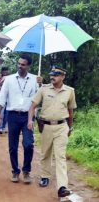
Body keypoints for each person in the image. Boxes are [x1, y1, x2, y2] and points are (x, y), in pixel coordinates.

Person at [28, 66, 76, 198]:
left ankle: (62, 186)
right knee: (45, 153)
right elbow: (33, 106)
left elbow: (71, 111)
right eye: (51, 75)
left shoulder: (70, 91)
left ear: (63, 76)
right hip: (46, 126)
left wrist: (70, 127)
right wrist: (30, 120)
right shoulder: (43, 89)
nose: (52, 77)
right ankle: (45, 176)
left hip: (62, 126)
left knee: (60, 156)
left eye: (56, 75)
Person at [0, 54, 42, 184]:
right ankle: (15, 171)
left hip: (28, 116)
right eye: (19, 64)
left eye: (23, 64)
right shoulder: (9, 79)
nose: (20, 66)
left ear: (28, 66)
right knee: (12, 146)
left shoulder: (34, 80)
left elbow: (39, 98)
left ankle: (26, 171)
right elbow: (2, 98)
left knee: (28, 144)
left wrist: (41, 84)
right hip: (13, 115)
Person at [0, 67, 9, 134]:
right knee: (1, 113)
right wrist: (1, 81)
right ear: (2, 72)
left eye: (7, 71)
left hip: (8, 99)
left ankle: (4, 127)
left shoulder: (10, 79)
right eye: (4, 71)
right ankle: (0, 128)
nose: (5, 72)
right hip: (0, 99)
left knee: (6, 114)